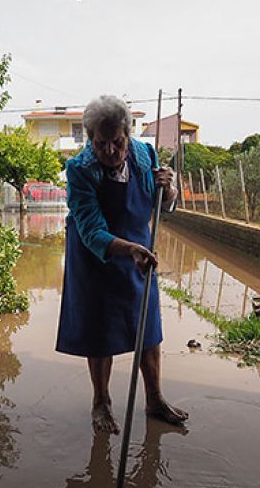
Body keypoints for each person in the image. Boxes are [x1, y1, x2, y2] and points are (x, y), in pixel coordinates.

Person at [56, 94, 188, 434]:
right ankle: (101, 402)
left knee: (148, 326)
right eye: (102, 144)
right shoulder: (80, 170)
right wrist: (127, 248)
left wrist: (168, 189)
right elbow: (91, 229)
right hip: (95, 254)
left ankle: (155, 399)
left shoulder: (146, 155)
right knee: (101, 329)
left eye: (118, 141)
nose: (111, 151)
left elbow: (165, 206)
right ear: (90, 140)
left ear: (128, 134)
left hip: (139, 252)